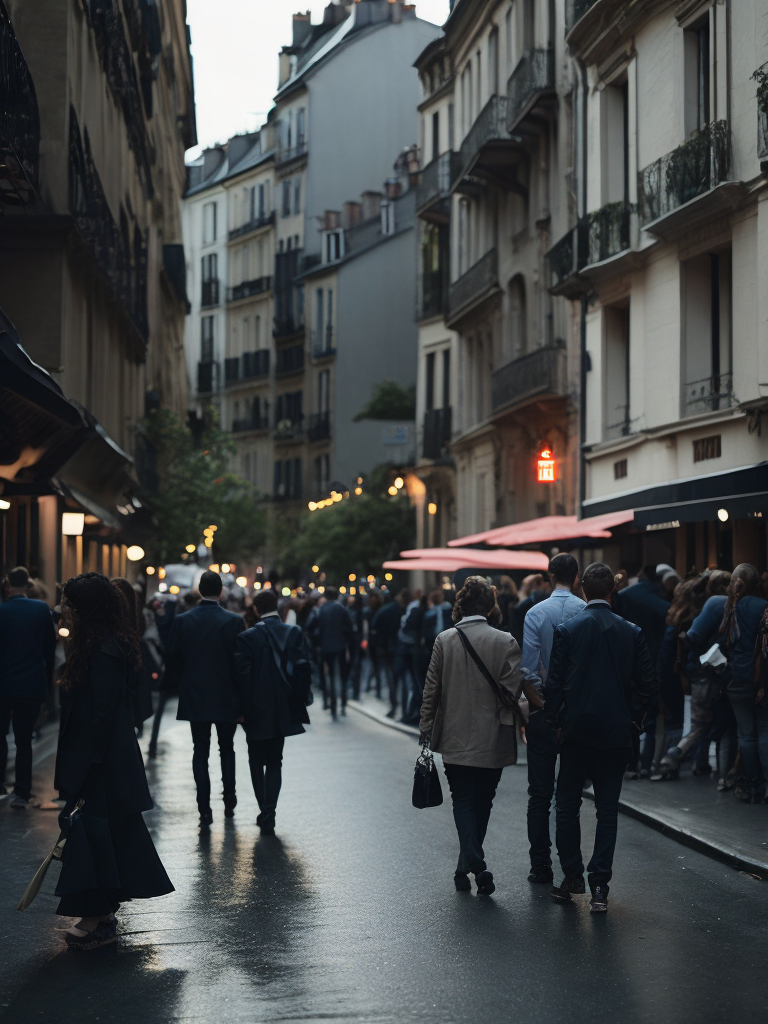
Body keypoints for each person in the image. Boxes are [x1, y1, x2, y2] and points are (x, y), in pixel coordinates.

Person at [54, 573, 173, 949]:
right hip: (104, 759)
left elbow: (100, 717)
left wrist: (85, 767)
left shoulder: (101, 650)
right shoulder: (102, 645)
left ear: (85, 609)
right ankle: (100, 914)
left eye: (69, 604)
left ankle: (98, 916)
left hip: (101, 761)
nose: (63, 611)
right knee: (102, 834)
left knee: (95, 833)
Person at [545, 562, 656, 912]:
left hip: (576, 730)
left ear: (582, 589)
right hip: (615, 732)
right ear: (612, 592)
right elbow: (648, 685)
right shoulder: (631, 631)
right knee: (607, 810)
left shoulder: (568, 630)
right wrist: (635, 720)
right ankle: (600, 885)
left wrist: (556, 722)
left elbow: (554, 685)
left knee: (566, 806)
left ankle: (573, 874)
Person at [419, 576, 531, 897]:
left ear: (461, 604)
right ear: (491, 605)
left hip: (454, 736)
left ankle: (467, 864)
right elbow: (513, 692)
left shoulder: (444, 640)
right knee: (483, 801)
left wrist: (426, 732)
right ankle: (472, 863)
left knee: (464, 801)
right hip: (493, 736)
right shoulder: (506, 641)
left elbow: (431, 692)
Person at [662, 564, 767, 801]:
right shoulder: (761, 606)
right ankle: (755, 780)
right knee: (758, 731)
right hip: (759, 678)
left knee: (741, 733)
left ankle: (749, 782)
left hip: (731, 677)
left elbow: (694, 637)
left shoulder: (725, 606)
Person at [520, 554, 585, 884]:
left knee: (539, 795)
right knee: (569, 796)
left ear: (549, 577)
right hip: (576, 713)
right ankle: (571, 867)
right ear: (575, 577)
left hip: (543, 710)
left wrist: (542, 707)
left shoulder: (535, 613)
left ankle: (540, 864)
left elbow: (528, 671)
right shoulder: (585, 611)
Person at [164, 570, 245, 828]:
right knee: (227, 748)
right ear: (220, 591)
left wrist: (185, 679)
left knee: (200, 751)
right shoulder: (234, 621)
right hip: (226, 694)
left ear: (199, 589)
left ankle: (204, 808)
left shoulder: (183, 620)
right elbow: (240, 662)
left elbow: (172, 656)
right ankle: (229, 800)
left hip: (195, 693)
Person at [234, 588, 312, 834]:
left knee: (255, 761)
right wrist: (299, 702)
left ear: (256, 609)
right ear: (277, 605)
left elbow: (242, 677)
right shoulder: (293, 633)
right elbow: (302, 670)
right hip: (283, 706)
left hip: (255, 708)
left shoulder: (247, 638)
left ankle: (264, 810)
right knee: (275, 761)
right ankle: (270, 810)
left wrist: (241, 709)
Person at [0, 566, 56, 808]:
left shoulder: (2, 611)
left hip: (3, 683)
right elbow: (49, 650)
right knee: (25, 740)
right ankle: (22, 791)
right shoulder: (41, 609)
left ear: (8, 585)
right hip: (31, 682)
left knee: (0, 735)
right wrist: (46, 682)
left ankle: (1, 784)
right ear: (28, 585)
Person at [309, 587, 352, 719]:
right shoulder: (342, 609)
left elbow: (314, 628)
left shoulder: (322, 610)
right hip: (340, 647)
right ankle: (343, 704)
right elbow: (349, 628)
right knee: (342, 676)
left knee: (331, 677)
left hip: (325, 647)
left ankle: (332, 705)